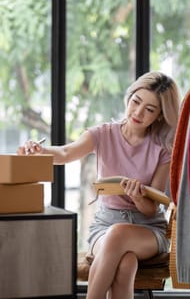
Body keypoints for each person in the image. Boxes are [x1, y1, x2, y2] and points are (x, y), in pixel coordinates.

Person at [17, 71, 180, 299]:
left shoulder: (163, 150)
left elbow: (151, 209)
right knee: (126, 264)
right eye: (136, 102)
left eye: (150, 110)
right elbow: (65, 152)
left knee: (119, 235)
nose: (138, 112)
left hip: (148, 229)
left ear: (160, 116)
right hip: (105, 225)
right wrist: (40, 150)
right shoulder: (103, 134)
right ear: (129, 97)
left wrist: (137, 196)